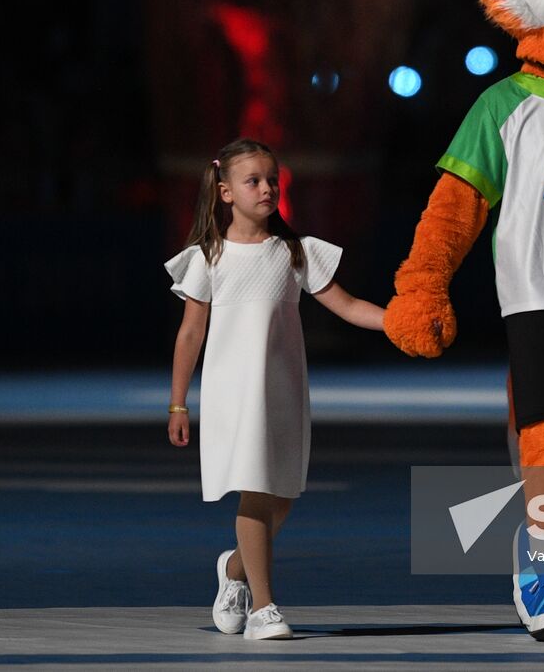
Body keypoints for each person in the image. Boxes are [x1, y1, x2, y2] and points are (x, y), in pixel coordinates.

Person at [165, 138, 386, 641]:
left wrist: (400, 322)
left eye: (272, 181)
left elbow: (349, 307)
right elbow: (190, 334)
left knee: (281, 497)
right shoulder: (209, 257)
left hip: (283, 392)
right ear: (225, 192)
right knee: (256, 491)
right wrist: (179, 402)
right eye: (254, 181)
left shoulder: (295, 251)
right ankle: (264, 608)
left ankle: (235, 570)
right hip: (232, 395)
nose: (266, 189)